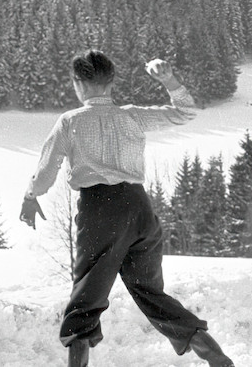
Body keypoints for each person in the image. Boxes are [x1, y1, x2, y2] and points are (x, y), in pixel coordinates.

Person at [20, 50, 234, 367]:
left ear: (78, 83)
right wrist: (170, 81)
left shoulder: (70, 122)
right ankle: (217, 359)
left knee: (87, 296)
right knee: (148, 290)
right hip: (139, 207)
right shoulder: (132, 116)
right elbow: (185, 112)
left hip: (99, 210)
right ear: (112, 81)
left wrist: (30, 195)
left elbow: (47, 170)